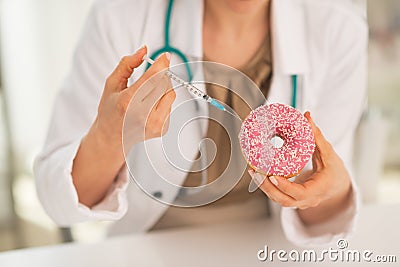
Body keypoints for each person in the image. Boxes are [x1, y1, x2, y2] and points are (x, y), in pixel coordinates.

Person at [34, 0, 367, 247]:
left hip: (268, 246)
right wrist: (110, 135)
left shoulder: (338, 30)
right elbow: (57, 201)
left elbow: (325, 221)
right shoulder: (121, 16)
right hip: (150, 247)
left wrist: (331, 192)